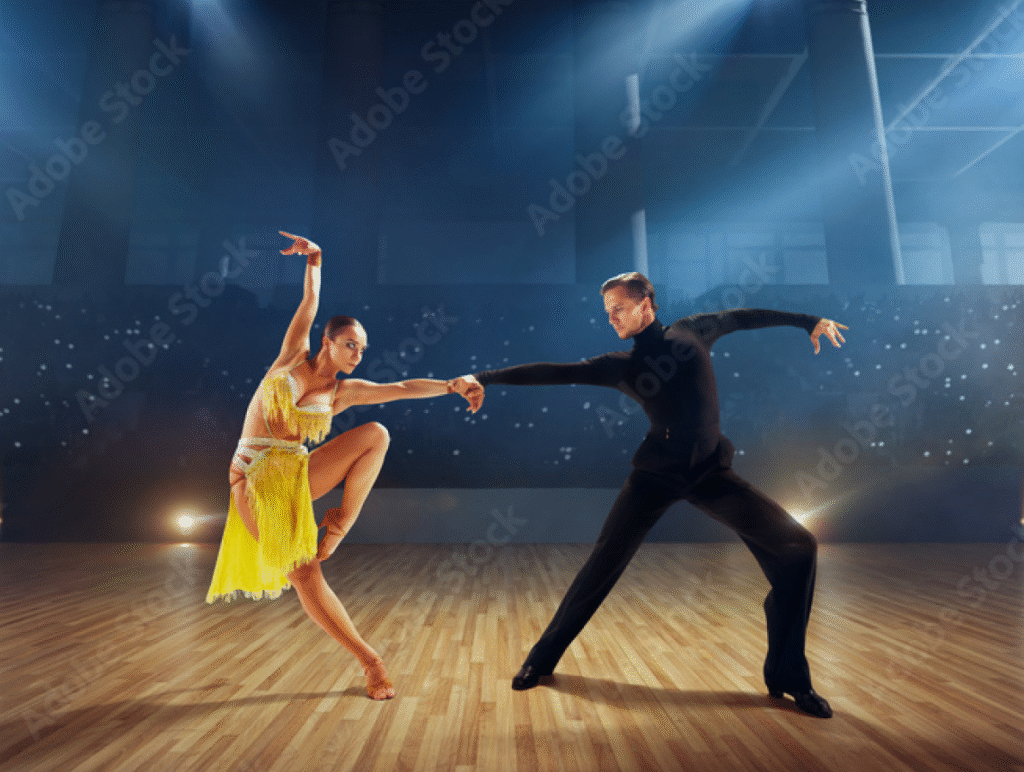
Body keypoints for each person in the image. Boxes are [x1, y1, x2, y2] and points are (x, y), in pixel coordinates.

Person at [459, 272, 847, 718]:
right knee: (602, 565)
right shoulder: (620, 364)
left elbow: (743, 316)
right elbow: (554, 372)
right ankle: (540, 660)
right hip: (655, 477)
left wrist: (808, 321)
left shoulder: (693, 330)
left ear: (646, 303)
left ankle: (787, 676)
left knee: (799, 547)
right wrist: (484, 376)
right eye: (607, 312)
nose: (611, 319)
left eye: (618, 309)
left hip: (709, 474)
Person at [206, 231, 483, 700]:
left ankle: (338, 524)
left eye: (362, 349)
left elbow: (400, 389)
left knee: (376, 433)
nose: (358, 354)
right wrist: (315, 259)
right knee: (305, 576)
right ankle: (371, 662)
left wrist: (452, 384)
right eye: (351, 345)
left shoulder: (342, 392)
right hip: (254, 481)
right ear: (328, 342)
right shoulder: (292, 357)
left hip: (296, 473)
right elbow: (310, 302)